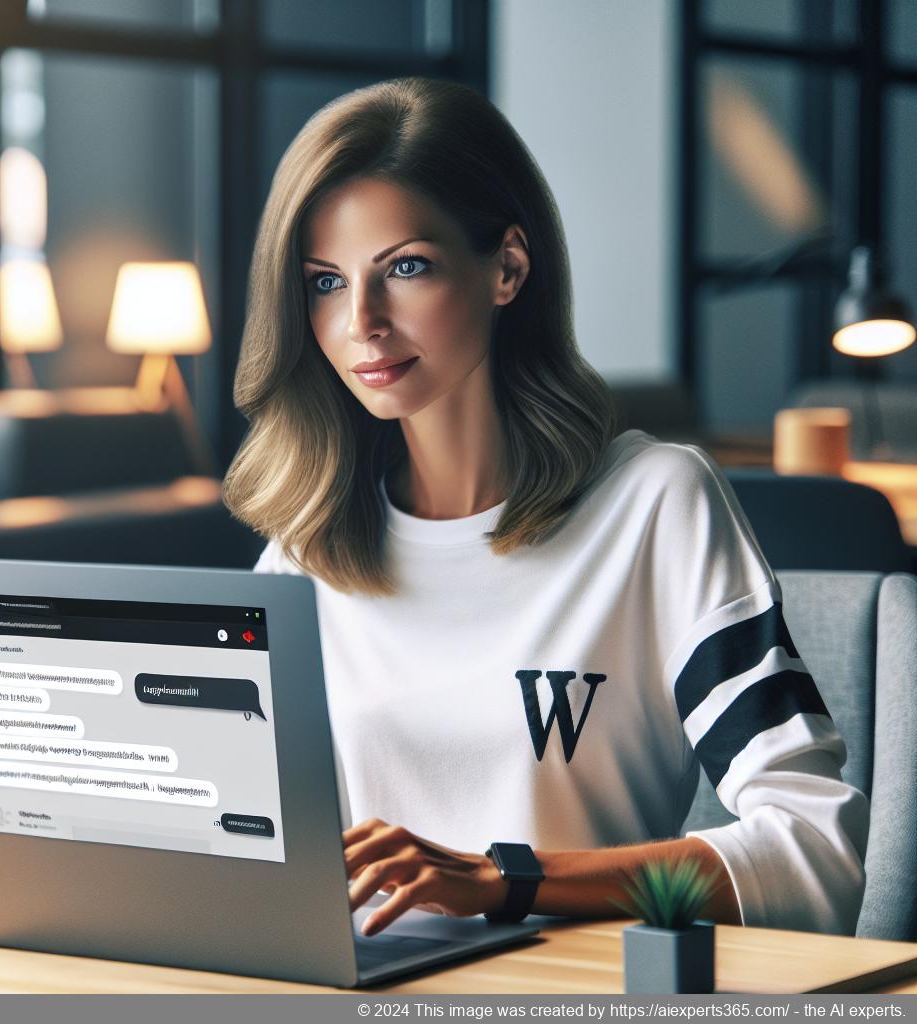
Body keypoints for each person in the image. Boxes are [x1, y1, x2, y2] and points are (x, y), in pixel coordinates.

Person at [223, 78, 868, 939]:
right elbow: (239, 853)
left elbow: (816, 852)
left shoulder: (653, 508)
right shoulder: (303, 551)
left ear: (508, 268)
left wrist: (505, 881)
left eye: (405, 268)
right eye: (325, 282)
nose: (361, 323)